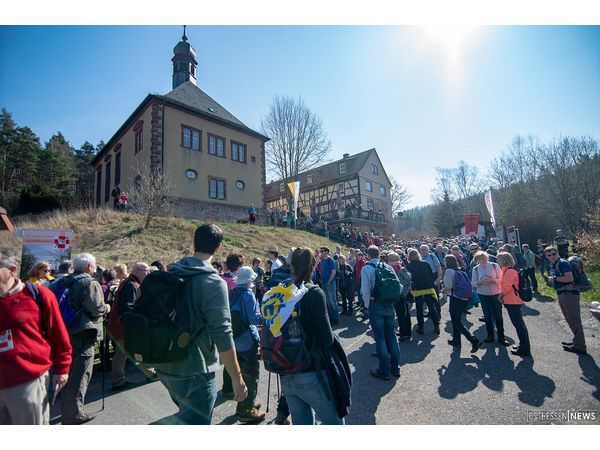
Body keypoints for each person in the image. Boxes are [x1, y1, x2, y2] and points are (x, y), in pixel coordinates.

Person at [152, 224, 247, 424]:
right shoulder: (212, 282)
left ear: (194, 243)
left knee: (186, 418)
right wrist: (237, 378)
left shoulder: (172, 272)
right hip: (196, 369)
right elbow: (222, 332)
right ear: (218, 247)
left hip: (165, 363)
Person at [270, 247, 345, 425]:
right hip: (311, 369)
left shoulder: (279, 291)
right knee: (334, 422)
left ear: (291, 266)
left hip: (285, 369)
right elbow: (326, 339)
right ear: (314, 266)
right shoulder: (314, 293)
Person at [0, 246, 72, 425]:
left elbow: (58, 333)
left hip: (27, 383)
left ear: (12, 271)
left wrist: (62, 368)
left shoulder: (38, 295)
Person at [61, 253, 111, 424]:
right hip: (81, 334)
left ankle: (66, 409)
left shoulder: (61, 281)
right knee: (80, 374)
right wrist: (107, 307)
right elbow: (96, 308)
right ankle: (74, 414)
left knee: (66, 372)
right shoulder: (89, 283)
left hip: (62, 333)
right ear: (90, 266)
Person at [228, 266, 265, 423]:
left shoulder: (232, 292)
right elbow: (253, 319)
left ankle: (243, 404)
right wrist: (266, 317)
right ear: (250, 280)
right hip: (247, 339)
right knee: (252, 374)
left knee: (242, 374)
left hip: (234, 339)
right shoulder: (248, 295)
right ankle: (247, 409)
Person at [107, 262, 151, 391]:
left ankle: (149, 372)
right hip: (123, 326)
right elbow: (128, 307)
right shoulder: (130, 284)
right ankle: (118, 381)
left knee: (133, 350)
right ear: (137, 271)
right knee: (122, 353)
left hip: (126, 324)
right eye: (146, 270)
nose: (148, 273)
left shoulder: (131, 282)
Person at [361, 245, 401, 380]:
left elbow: (365, 291)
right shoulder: (388, 267)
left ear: (368, 255)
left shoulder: (366, 269)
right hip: (389, 304)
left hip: (375, 304)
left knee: (380, 337)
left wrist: (367, 306)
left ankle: (384, 370)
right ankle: (395, 368)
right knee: (392, 335)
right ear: (379, 255)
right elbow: (399, 286)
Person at [544, 246, 587, 355]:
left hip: (569, 293)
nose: (552, 256)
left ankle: (580, 346)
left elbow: (569, 278)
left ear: (557, 253)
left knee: (574, 319)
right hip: (563, 293)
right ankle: (576, 342)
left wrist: (553, 279)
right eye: (549, 255)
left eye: (553, 254)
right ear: (546, 257)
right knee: (570, 319)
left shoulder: (562, 263)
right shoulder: (555, 264)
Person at [442, 254, 482, 352]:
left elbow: (449, 286)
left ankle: (473, 339)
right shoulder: (460, 271)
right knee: (457, 319)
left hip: (455, 297)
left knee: (456, 321)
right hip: (463, 298)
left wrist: (442, 290)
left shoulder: (448, 271)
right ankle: (456, 340)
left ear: (447, 262)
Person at [497, 252, 531, 357]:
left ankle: (524, 347)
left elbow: (507, 287)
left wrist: (500, 296)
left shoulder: (509, 271)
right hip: (512, 300)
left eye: (498, 259)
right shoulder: (508, 270)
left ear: (503, 260)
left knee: (518, 324)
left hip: (513, 300)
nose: (497, 261)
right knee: (519, 324)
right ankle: (523, 345)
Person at [471, 251, 508, 346]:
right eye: (480, 259)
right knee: (487, 316)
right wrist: (481, 282)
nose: (483, 260)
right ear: (477, 260)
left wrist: (492, 281)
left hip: (496, 293)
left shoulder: (495, 266)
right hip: (483, 295)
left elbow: (502, 280)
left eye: (484, 258)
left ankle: (501, 337)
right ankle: (490, 335)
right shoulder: (475, 269)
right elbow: (473, 283)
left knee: (498, 315)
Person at [405, 249, 440, 335]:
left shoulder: (409, 266)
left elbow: (409, 279)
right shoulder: (425, 263)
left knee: (419, 308)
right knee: (431, 307)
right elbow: (431, 275)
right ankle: (436, 326)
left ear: (409, 257)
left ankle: (421, 327)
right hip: (428, 287)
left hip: (417, 289)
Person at [319, 247, 338, 325]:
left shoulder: (330, 260)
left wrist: (329, 281)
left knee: (332, 301)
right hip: (324, 283)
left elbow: (333, 272)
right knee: (328, 302)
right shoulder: (322, 260)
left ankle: (335, 319)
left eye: (322, 251)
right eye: (321, 251)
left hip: (330, 283)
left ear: (326, 252)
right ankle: (331, 318)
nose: (321, 252)